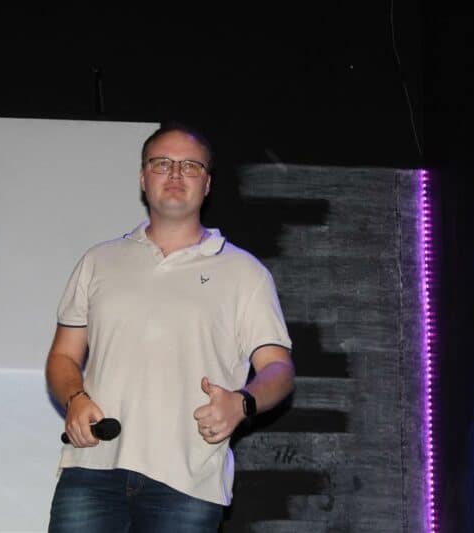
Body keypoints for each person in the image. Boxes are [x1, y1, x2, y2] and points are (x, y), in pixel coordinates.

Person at [45, 123, 294, 532]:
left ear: (207, 183)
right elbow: (63, 355)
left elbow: (278, 369)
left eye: (190, 166)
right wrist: (74, 398)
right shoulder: (99, 260)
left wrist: (241, 403)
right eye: (162, 163)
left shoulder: (244, 272)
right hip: (91, 467)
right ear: (143, 178)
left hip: (187, 481)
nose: (175, 174)